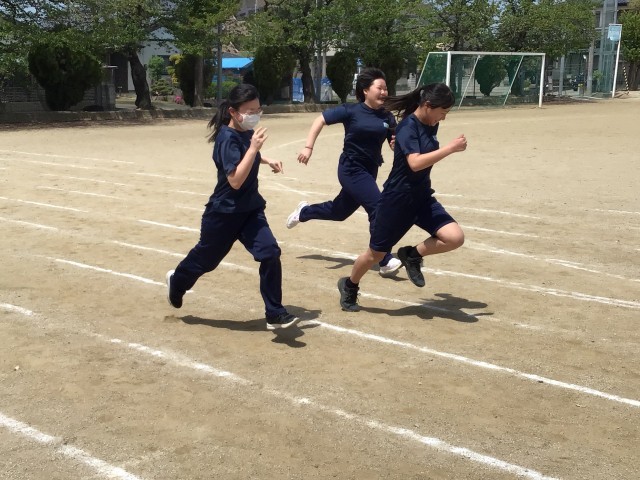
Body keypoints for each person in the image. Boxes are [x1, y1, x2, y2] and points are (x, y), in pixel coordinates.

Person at [165, 84, 299, 331]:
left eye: (258, 110)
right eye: (250, 111)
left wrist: (266, 158)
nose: (255, 115)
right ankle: (178, 281)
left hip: (250, 211)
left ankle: (275, 312)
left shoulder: (246, 132)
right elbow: (235, 180)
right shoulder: (226, 138)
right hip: (223, 213)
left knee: (270, 252)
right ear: (233, 112)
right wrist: (255, 148)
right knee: (206, 261)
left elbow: (246, 154)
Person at [337, 83, 468, 312]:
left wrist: (401, 148)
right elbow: (415, 163)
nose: (444, 117)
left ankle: (412, 255)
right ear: (428, 105)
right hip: (397, 201)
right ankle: (349, 285)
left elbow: (416, 151)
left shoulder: (431, 123)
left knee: (454, 237)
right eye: (443, 112)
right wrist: (449, 149)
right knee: (375, 255)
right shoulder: (408, 126)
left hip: (422, 197)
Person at [286, 67, 403, 277]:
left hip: (370, 169)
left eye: (386, 88)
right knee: (377, 206)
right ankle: (384, 258)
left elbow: (393, 143)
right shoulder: (351, 110)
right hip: (350, 168)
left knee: (339, 212)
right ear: (365, 90)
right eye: (379, 88)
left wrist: (396, 144)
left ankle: (304, 212)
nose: (384, 92)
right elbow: (320, 120)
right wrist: (308, 147)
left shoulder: (387, 117)